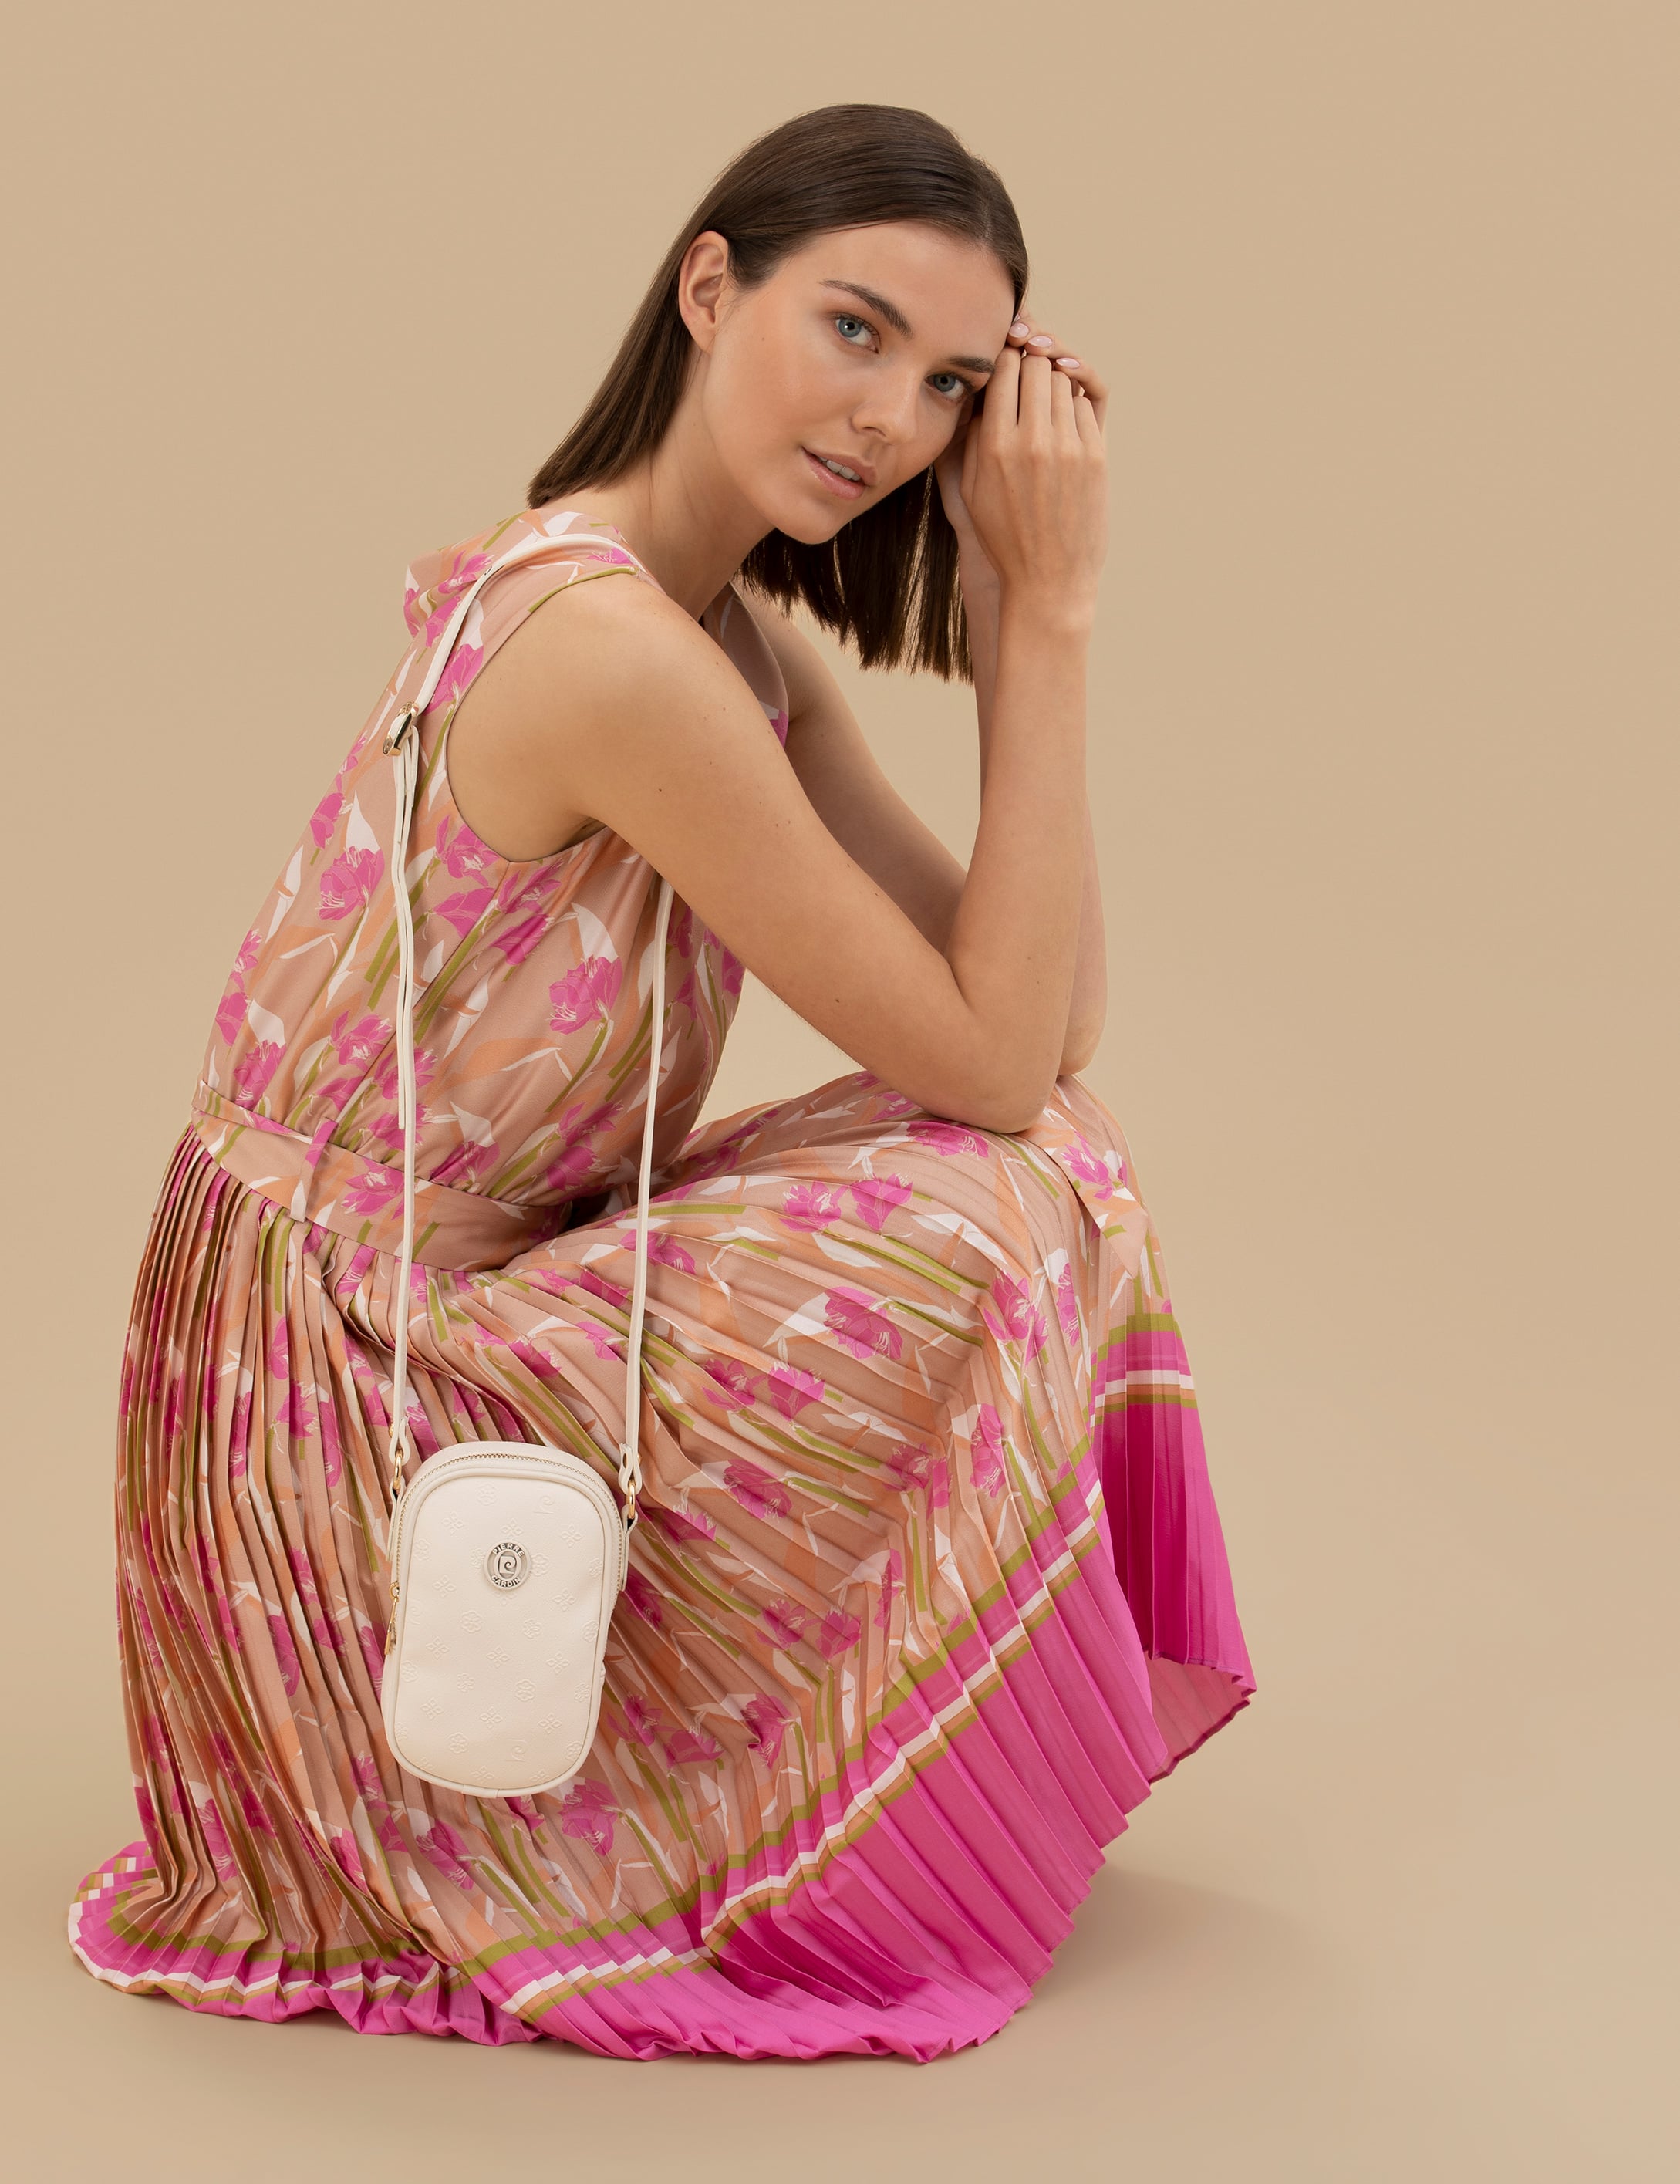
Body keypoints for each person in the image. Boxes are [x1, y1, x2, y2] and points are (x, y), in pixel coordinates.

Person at [70, 102, 1254, 2062]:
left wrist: (1002, 618)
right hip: (329, 1368)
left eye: (951, 387)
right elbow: (984, 1060)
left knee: (1059, 1154)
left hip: (452, 1298)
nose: (891, 419)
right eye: (855, 329)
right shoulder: (612, 655)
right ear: (711, 288)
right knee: (997, 1204)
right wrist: (1049, 624)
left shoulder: (728, 644)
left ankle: (848, 1758)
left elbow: (1047, 1031)